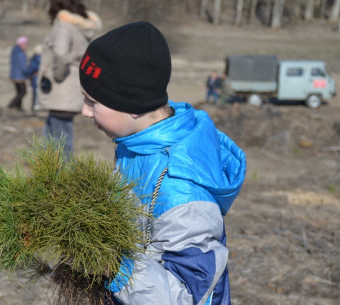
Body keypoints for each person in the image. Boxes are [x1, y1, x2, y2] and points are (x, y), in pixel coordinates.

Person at [79, 22, 246, 305]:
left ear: (131, 105)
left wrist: (111, 262)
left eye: (93, 102)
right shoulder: (140, 143)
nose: (83, 111)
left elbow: (182, 297)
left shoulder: (182, 193)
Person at [37, 0, 102, 155]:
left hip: (61, 91)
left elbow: (60, 54)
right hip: (72, 88)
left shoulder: (63, 25)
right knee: (57, 138)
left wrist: (57, 77)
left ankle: (64, 178)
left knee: (59, 143)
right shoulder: (80, 27)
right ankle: (53, 175)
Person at [8, 36, 29, 111]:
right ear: (22, 44)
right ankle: (11, 105)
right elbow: (23, 67)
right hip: (19, 76)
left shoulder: (14, 52)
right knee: (23, 92)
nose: (26, 46)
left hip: (14, 75)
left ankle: (19, 107)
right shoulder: (20, 54)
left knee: (19, 92)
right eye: (26, 44)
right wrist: (28, 73)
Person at [27, 44, 42, 111]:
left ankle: (34, 107)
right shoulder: (45, 58)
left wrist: (29, 75)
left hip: (35, 77)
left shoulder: (33, 59)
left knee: (35, 93)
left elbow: (31, 68)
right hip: (42, 77)